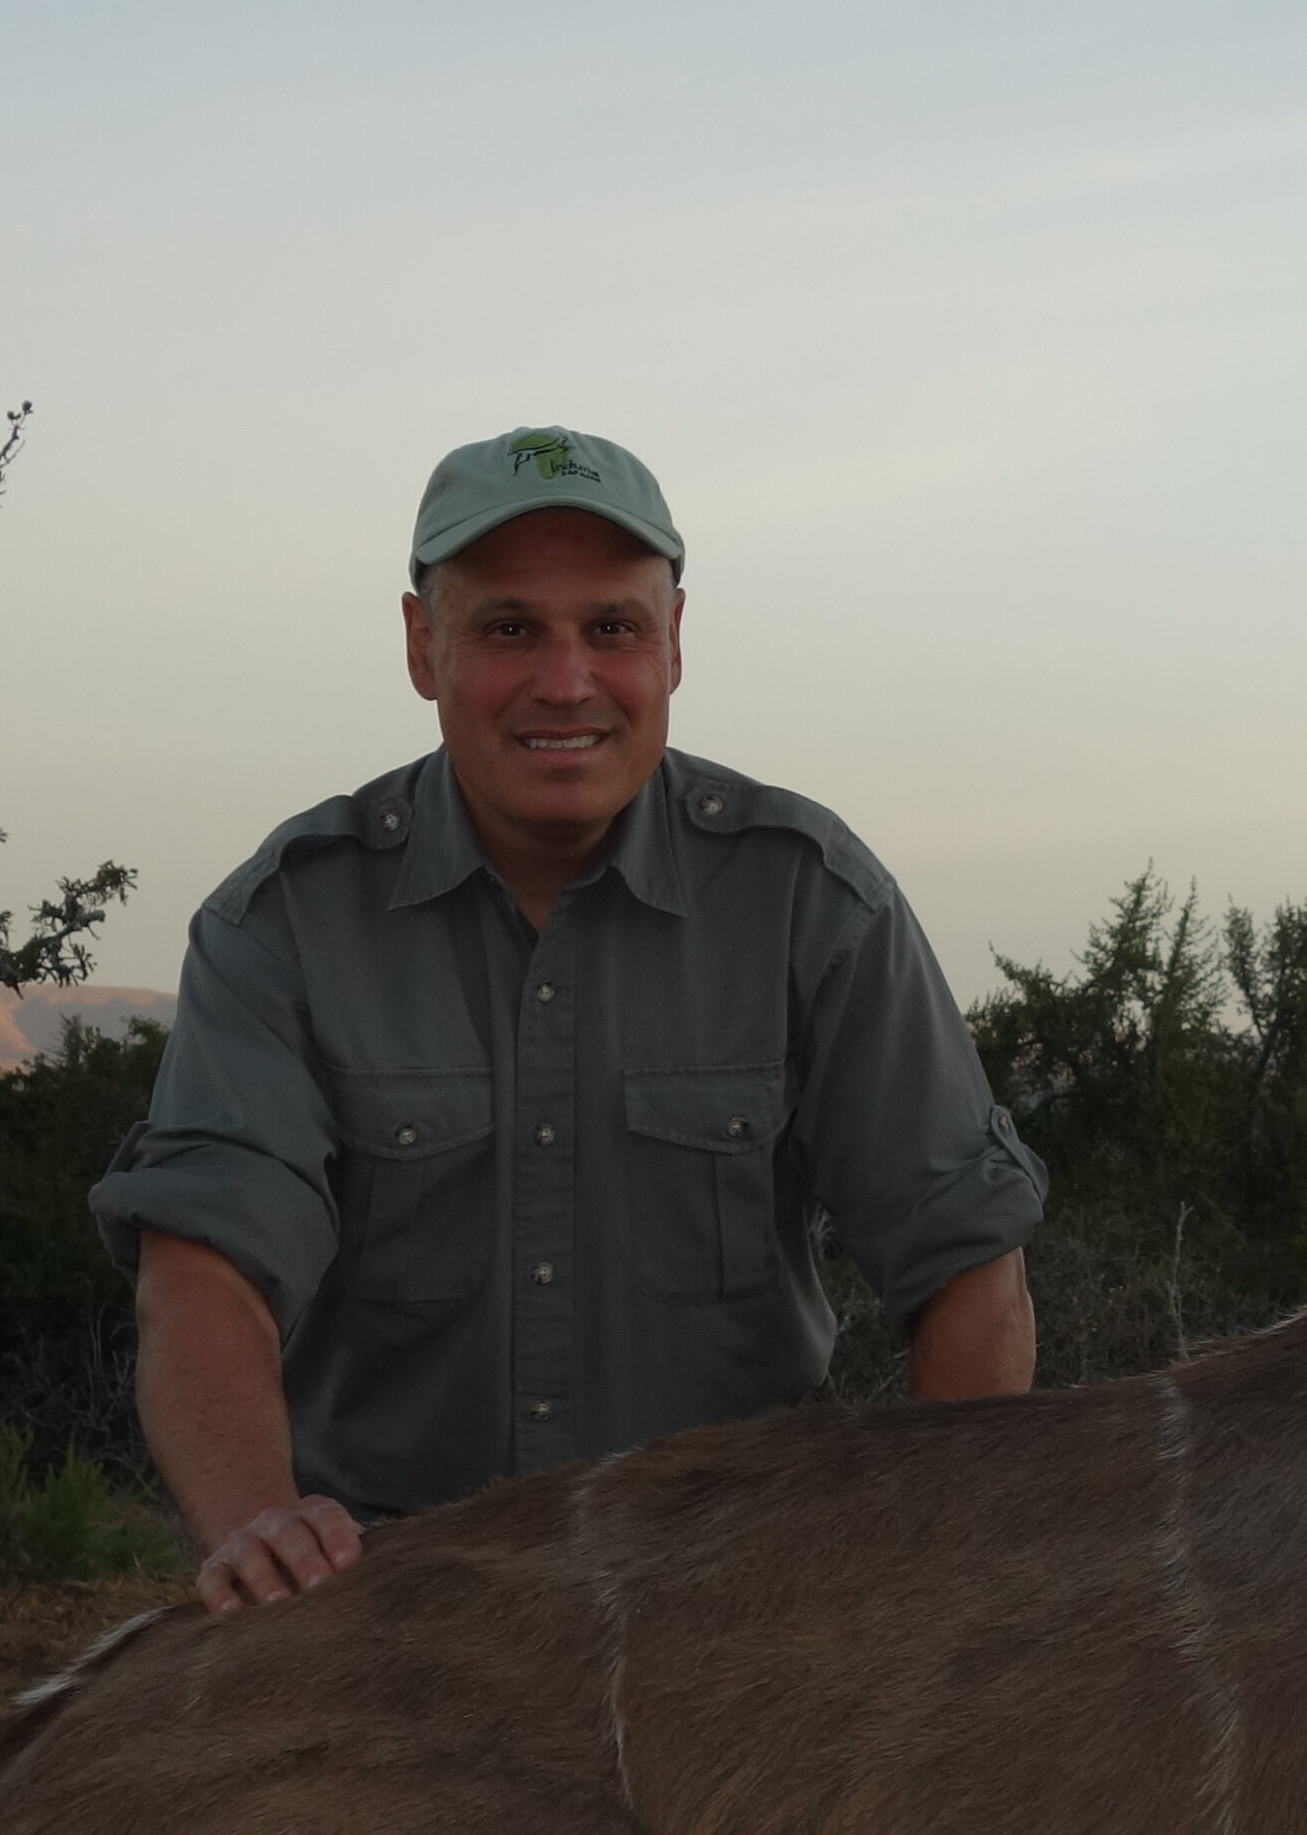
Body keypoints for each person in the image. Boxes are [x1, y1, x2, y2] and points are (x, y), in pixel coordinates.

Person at [90, 425, 1044, 1613]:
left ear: (676, 643)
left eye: (612, 628)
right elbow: (206, 1267)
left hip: (733, 1592)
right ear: (420, 645)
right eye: (507, 630)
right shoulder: (283, 921)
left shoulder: (813, 900)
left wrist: (920, 1559)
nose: (565, 682)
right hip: (390, 1597)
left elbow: (964, 1260)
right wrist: (262, 1525)